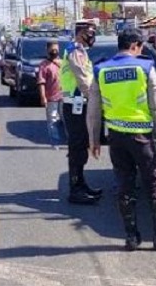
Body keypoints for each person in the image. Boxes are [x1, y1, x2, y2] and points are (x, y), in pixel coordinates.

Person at [87, 27, 156, 252]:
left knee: (124, 185)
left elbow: (93, 109)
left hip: (116, 137)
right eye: (140, 47)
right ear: (135, 46)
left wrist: (94, 140)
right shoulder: (145, 67)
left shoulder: (100, 70)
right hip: (141, 137)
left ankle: (131, 237)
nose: (140, 51)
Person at [59, 19, 102, 205]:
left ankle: (81, 184)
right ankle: (75, 189)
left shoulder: (80, 51)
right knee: (77, 147)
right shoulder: (76, 52)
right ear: (80, 32)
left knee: (81, 145)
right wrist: (97, 100)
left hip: (79, 104)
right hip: (75, 105)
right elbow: (84, 82)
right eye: (90, 32)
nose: (93, 36)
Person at [38, 39, 64, 149]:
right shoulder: (44, 65)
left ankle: (69, 142)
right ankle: (55, 142)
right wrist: (43, 97)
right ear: (47, 50)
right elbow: (41, 82)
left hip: (64, 97)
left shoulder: (63, 63)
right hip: (51, 98)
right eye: (52, 49)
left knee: (66, 119)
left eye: (56, 50)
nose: (54, 51)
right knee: (52, 120)